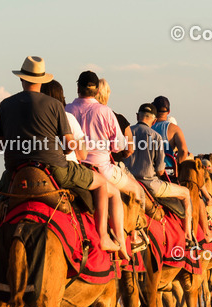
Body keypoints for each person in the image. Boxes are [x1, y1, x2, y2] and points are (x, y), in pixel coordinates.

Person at [0, 57, 123, 253]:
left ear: (21, 79)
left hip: (15, 170)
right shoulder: (54, 105)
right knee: (102, 184)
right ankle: (103, 237)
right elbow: (70, 145)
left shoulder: (5, 104)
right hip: (54, 168)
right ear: (42, 80)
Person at [66, 70, 146, 254]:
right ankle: (127, 239)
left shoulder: (67, 109)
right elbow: (118, 145)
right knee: (136, 191)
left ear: (78, 87)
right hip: (102, 169)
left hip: (76, 168)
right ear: (96, 92)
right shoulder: (105, 111)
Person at [122, 102, 195, 242]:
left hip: (128, 183)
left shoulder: (127, 131)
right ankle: (187, 235)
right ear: (154, 121)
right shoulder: (156, 137)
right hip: (150, 185)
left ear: (137, 116)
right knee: (185, 193)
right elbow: (160, 171)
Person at [42, 80, 86, 163]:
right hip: (66, 164)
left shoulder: (35, 118)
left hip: (39, 162)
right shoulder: (68, 117)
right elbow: (82, 155)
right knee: (97, 176)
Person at [150, 95, 189, 177]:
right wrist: (178, 167)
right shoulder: (174, 129)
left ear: (154, 110)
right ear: (169, 111)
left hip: (146, 171)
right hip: (167, 173)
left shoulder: (147, 127)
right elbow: (184, 151)